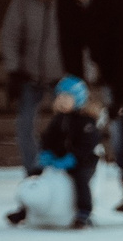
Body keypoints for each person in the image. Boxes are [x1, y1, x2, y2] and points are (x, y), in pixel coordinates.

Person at [55, 0, 123, 222]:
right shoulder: (66, 4)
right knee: (120, 137)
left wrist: (120, 99)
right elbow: (70, 47)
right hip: (113, 75)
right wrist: (76, 92)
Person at [3, 0, 63, 181]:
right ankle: (33, 171)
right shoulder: (22, 2)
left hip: (60, 76)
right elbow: (10, 36)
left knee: (67, 124)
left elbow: (80, 36)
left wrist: (80, 75)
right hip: (29, 75)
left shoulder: (65, 1)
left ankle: (64, 170)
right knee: (24, 124)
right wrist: (13, 71)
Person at [32, 67, 93, 223]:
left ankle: (84, 211)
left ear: (78, 99)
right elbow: (48, 138)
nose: (62, 100)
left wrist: (73, 158)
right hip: (59, 158)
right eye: (59, 96)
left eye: (67, 97)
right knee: (34, 173)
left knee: (80, 179)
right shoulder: (58, 119)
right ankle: (24, 210)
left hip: (82, 161)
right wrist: (46, 153)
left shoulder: (85, 121)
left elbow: (87, 145)